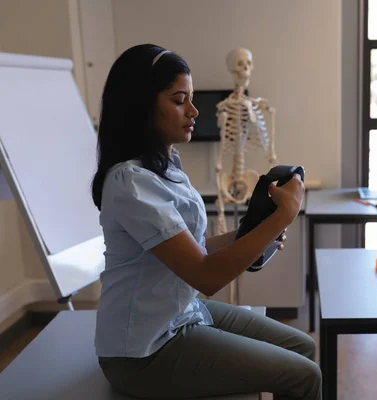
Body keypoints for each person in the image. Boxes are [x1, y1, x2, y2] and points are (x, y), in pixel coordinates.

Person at [91, 44, 321, 400]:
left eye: (191, 98)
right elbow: (206, 275)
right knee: (304, 376)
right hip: (143, 350)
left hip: (182, 312)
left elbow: (191, 249)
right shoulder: (130, 181)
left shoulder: (165, 165)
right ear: (142, 106)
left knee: (302, 346)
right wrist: (284, 216)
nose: (194, 111)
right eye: (179, 99)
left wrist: (258, 233)